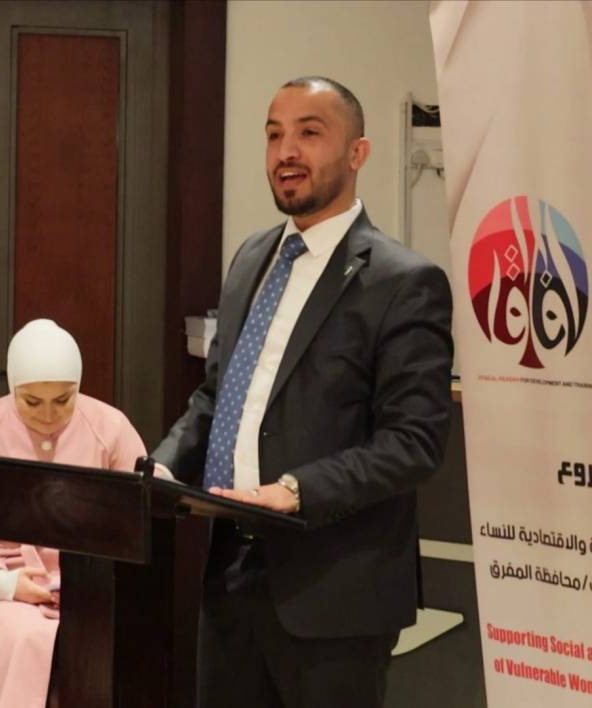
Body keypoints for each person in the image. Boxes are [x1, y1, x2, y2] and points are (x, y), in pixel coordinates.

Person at [152, 76, 454, 708]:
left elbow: (414, 443)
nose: (286, 151)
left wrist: (296, 490)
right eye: (274, 135)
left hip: (336, 594)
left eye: (309, 133)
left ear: (358, 153)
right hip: (229, 576)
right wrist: (163, 465)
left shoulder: (405, 281)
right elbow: (216, 396)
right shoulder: (250, 258)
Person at [0, 319, 148, 708]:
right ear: (12, 388)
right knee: (23, 636)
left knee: (116, 640)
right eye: (32, 402)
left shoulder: (110, 428)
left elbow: (140, 513)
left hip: (92, 592)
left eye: (62, 401)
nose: (48, 415)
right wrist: (2, 582)